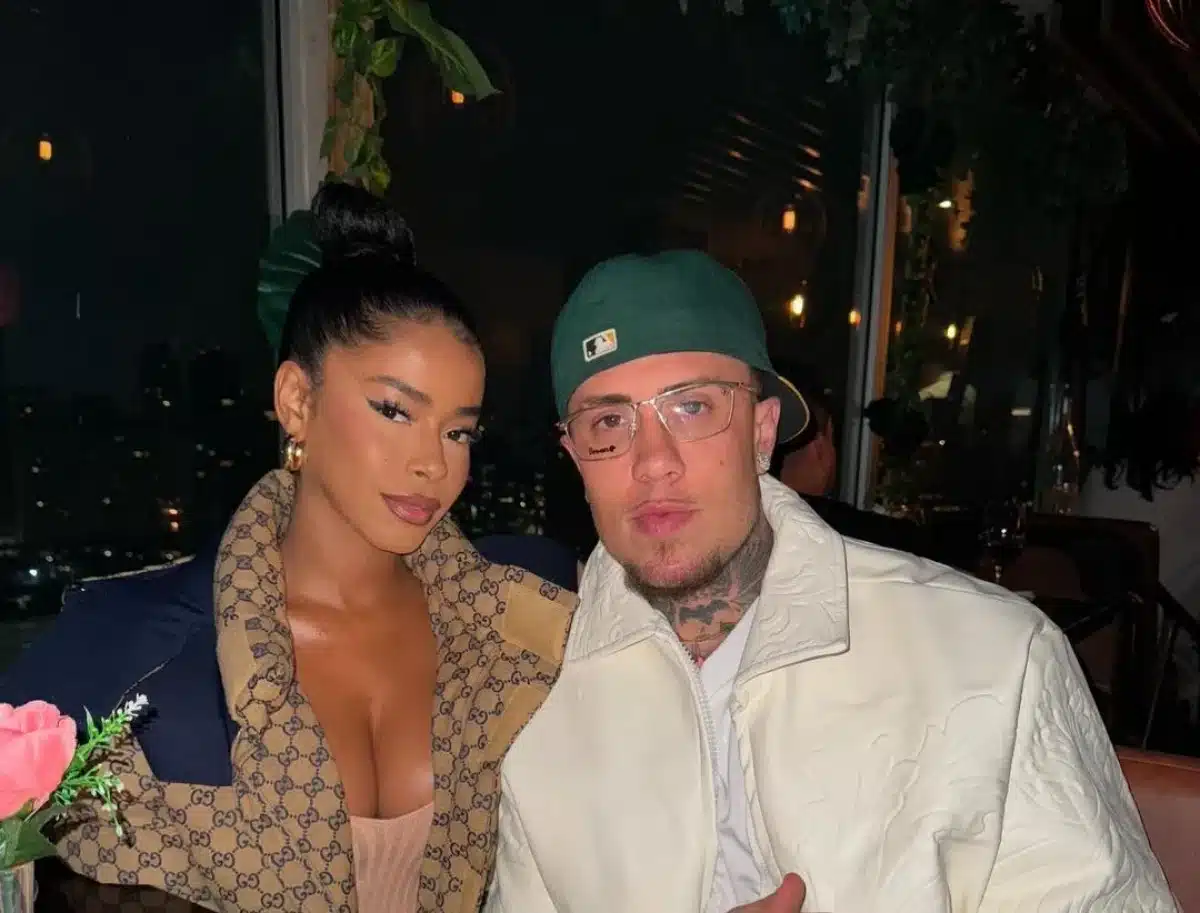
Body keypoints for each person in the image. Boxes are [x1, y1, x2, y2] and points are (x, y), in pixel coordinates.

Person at [486, 250, 1175, 912]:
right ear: (575, 455)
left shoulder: (993, 661)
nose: (652, 461)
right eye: (609, 421)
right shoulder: (535, 696)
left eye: (692, 407)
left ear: (762, 433)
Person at [2, 185, 576, 913]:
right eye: (395, 410)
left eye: (458, 431)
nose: (434, 463)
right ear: (297, 401)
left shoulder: (521, 619)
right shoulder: (138, 642)